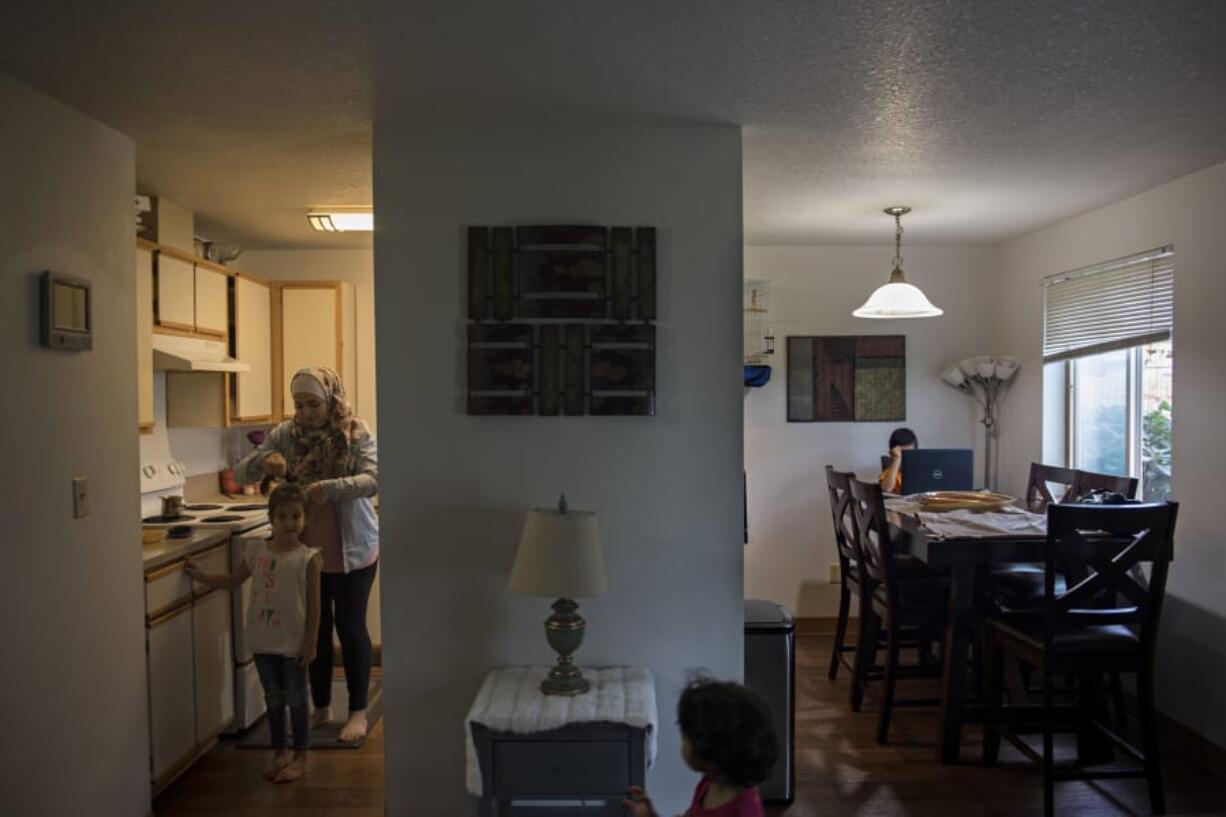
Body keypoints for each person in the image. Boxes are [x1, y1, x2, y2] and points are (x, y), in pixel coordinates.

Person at [235, 366, 380, 743]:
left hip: (353, 550)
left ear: (331, 398)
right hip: (304, 554)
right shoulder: (286, 434)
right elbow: (242, 473)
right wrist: (262, 461)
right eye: (299, 404)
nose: (307, 413)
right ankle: (321, 707)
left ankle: (358, 712)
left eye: (313, 404)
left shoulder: (355, 431)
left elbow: (373, 480)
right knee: (312, 631)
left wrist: (325, 489)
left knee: (350, 629)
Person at [185, 483, 321, 783]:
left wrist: (311, 642)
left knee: (297, 699)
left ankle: (300, 756)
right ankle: (279, 754)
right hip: (262, 640)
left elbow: (315, 607)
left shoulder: (308, 558)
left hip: (294, 643)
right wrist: (201, 576)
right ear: (271, 518)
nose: (289, 523)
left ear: (305, 519)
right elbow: (233, 580)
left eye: (296, 516)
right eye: (283, 516)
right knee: (273, 698)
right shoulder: (256, 550)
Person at [623, 680, 777, 817]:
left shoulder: (742, 812)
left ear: (711, 751)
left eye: (685, 738)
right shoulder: (712, 781)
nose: (682, 741)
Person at [878, 426, 918, 494]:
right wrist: (897, 458)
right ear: (892, 454)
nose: (905, 459)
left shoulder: (919, 471)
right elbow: (886, 489)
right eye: (901, 454)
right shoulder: (889, 472)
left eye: (909, 454)